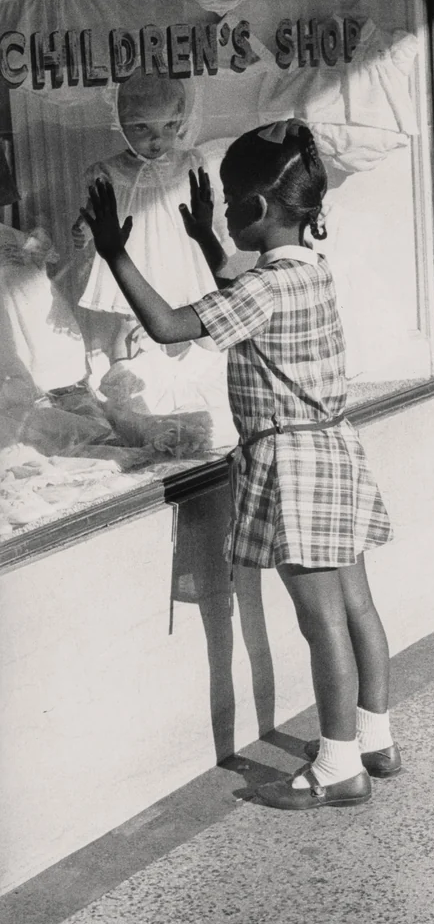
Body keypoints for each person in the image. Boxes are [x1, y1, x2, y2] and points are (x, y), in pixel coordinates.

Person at [79, 119, 399, 809]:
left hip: (292, 464)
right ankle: (376, 737)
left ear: (255, 210)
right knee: (357, 605)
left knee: (321, 624)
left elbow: (169, 326)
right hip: (334, 446)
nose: (223, 212)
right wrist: (203, 239)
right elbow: (244, 285)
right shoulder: (306, 269)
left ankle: (340, 767)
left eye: (228, 202)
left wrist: (114, 253)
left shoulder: (262, 290)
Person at [72, 71, 216, 363]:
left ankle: (177, 376)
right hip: (134, 255)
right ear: (121, 125)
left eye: (169, 126)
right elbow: (96, 208)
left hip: (177, 254)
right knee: (130, 319)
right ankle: (122, 381)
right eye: (141, 128)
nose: (157, 139)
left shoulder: (188, 162)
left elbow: (203, 206)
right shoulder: (110, 170)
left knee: (186, 314)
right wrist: (84, 228)